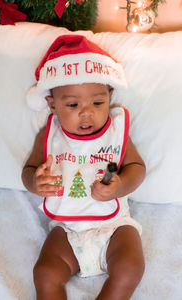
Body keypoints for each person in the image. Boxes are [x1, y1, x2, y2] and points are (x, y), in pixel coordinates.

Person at [22, 35, 146, 300]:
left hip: (115, 227)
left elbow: (136, 166)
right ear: (52, 104)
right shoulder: (50, 136)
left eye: (98, 103)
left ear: (110, 95)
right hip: (67, 230)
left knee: (130, 267)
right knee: (45, 272)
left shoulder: (115, 131)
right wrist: (34, 181)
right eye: (73, 104)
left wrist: (121, 186)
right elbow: (30, 169)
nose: (87, 113)